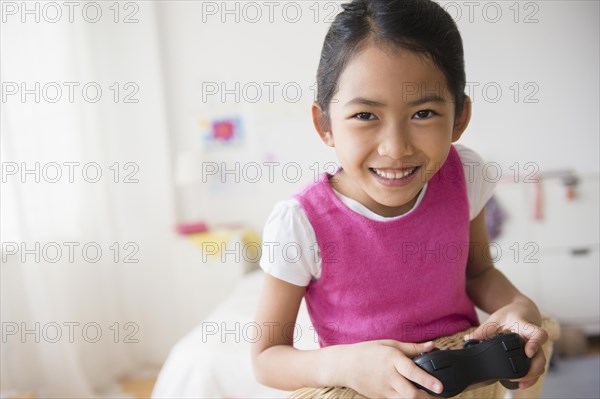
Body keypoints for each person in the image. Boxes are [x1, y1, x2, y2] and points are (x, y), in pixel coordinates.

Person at [251, 0, 548, 397]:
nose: (395, 148)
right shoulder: (300, 223)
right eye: (365, 116)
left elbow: (477, 273)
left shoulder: (465, 174)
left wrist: (518, 304)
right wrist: (344, 362)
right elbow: (266, 358)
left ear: (460, 117)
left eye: (423, 113)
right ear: (325, 125)